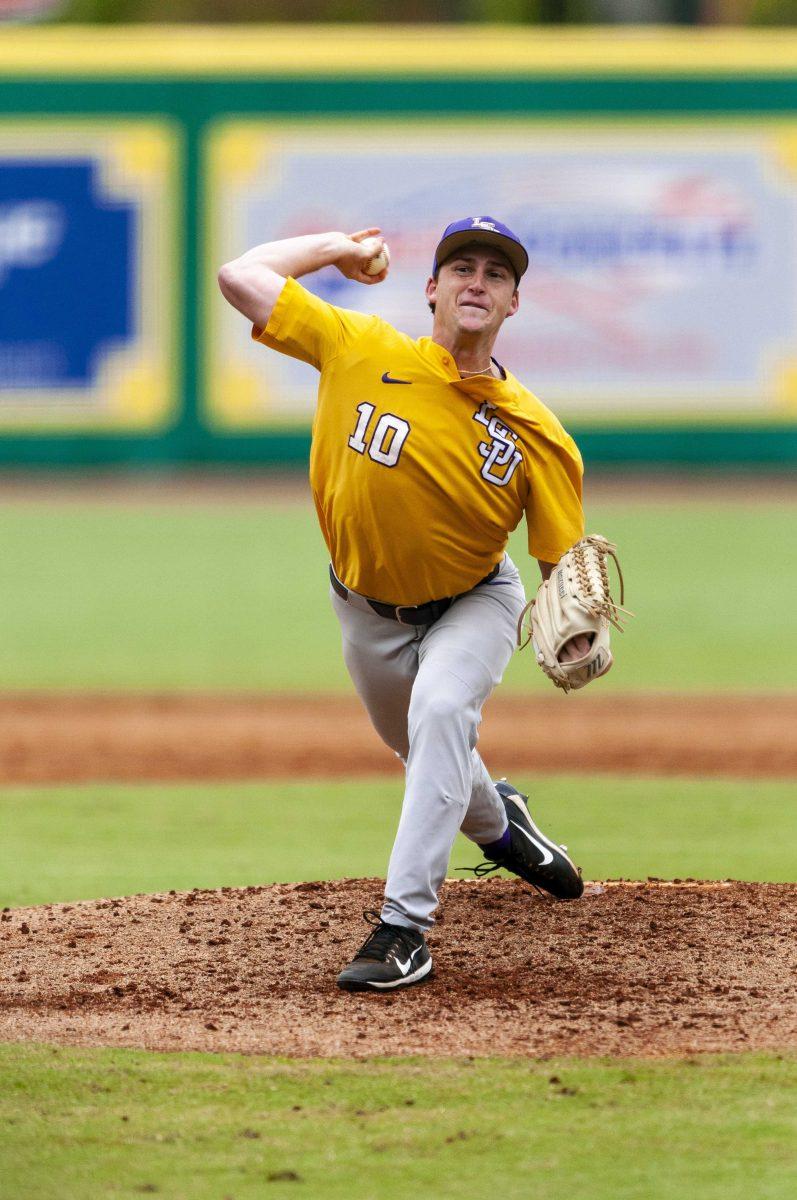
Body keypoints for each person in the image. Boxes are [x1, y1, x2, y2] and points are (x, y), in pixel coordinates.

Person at [218, 216, 588, 993]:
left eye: (495, 273)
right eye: (462, 268)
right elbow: (239, 277)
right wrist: (337, 249)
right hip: (363, 611)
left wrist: (573, 622)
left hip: (474, 602)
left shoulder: (537, 434)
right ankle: (502, 825)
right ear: (432, 290)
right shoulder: (360, 346)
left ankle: (403, 929)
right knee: (424, 746)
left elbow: (559, 563)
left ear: (514, 303)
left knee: (443, 714)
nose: (476, 281)